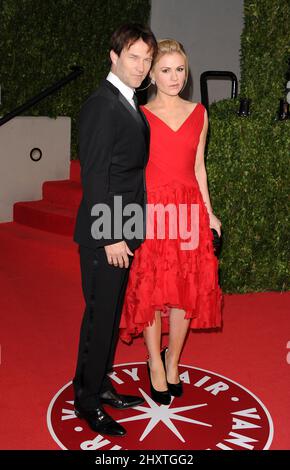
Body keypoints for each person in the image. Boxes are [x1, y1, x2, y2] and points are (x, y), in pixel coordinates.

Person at [120, 39, 223, 405]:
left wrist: (208, 212)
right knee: (151, 289)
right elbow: (130, 171)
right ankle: (153, 361)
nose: (174, 76)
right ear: (151, 74)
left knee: (185, 291)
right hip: (154, 211)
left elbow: (198, 167)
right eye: (165, 70)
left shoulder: (199, 113)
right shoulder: (139, 115)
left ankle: (173, 359)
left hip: (189, 210)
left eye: (180, 69)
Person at [72, 23, 157, 436]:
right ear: (114, 56)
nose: (141, 67)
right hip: (105, 234)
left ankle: (100, 385)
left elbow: (130, 172)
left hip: (124, 227)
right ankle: (86, 401)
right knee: (99, 315)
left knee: (109, 314)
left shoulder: (127, 102)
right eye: (133, 57)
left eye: (146, 59)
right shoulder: (101, 105)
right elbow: (95, 178)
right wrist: (111, 236)